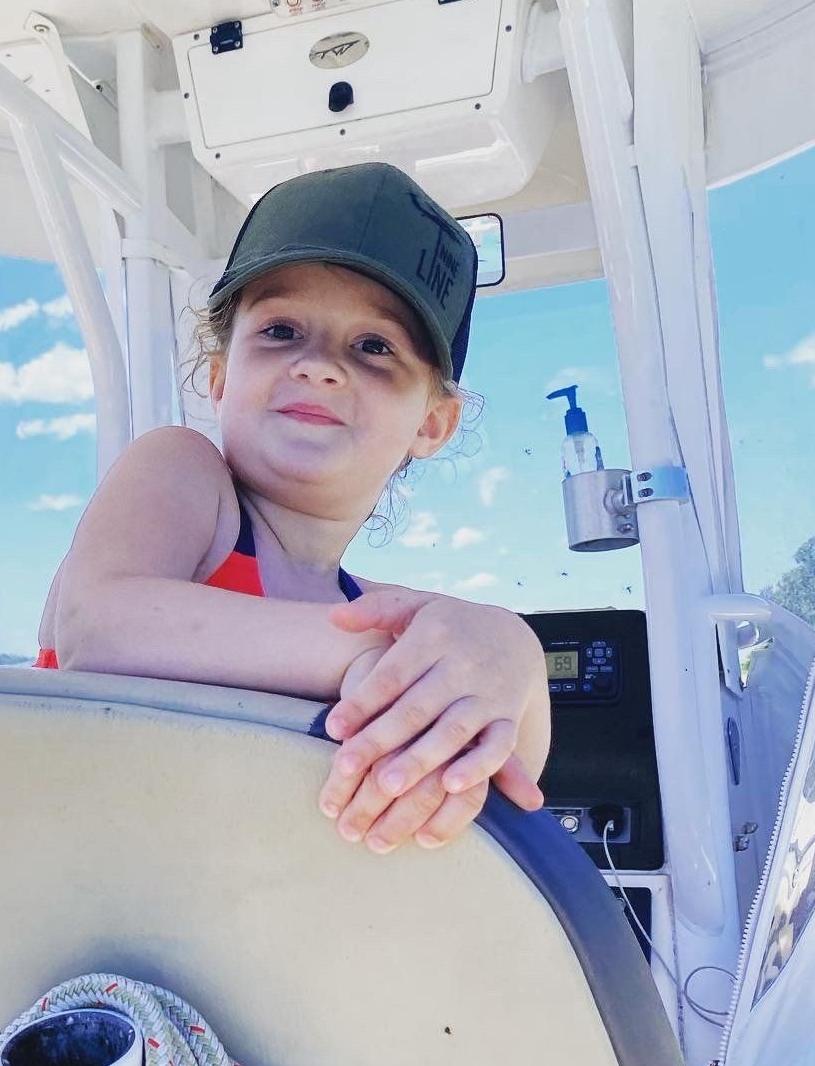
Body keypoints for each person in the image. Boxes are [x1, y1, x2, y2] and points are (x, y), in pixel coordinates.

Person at [35, 162, 549, 853]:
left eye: (374, 346)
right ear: (220, 378)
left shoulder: (381, 612)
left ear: (432, 424)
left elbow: (518, 763)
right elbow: (96, 627)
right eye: (280, 331)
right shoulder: (183, 473)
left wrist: (513, 654)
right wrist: (375, 661)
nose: (317, 364)